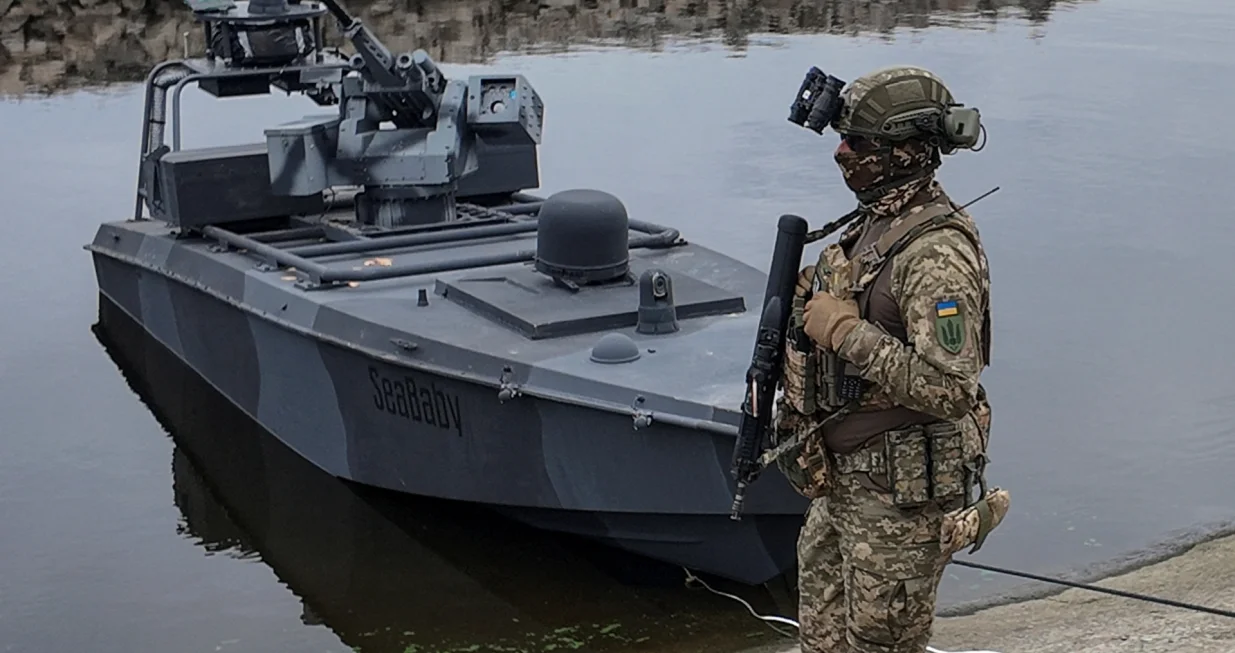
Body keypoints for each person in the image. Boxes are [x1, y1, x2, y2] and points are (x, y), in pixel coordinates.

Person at [771, 65, 1000, 653]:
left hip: (896, 499)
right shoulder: (877, 222)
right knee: (821, 641)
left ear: (910, 152)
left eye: (862, 144)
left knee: (884, 644)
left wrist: (845, 332)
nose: (845, 154)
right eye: (845, 141)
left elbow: (950, 387)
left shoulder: (936, 254)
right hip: (842, 484)